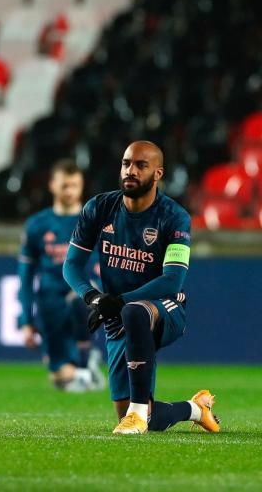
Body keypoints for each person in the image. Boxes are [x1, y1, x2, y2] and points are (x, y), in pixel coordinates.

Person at [62, 141, 220, 434]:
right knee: (137, 417)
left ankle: (136, 413)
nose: (130, 171)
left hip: (165, 307)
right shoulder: (99, 207)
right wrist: (95, 298)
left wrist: (119, 301)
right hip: (117, 314)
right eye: (126, 164)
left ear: (158, 173)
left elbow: (173, 280)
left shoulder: (175, 217)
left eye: (140, 165)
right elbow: (71, 265)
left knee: (135, 311)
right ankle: (195, 408)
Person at [18, 159, 104, 392]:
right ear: (52, 185)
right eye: (65, 185)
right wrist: (26, 320)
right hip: (50, 303)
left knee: (80, 301)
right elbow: (25, 276)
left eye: (75, 185)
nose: (70, 191)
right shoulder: (37, 225)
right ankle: (86, 365)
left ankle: (85, 359)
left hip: (85, 297)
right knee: (61, 380)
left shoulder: (95, 220)